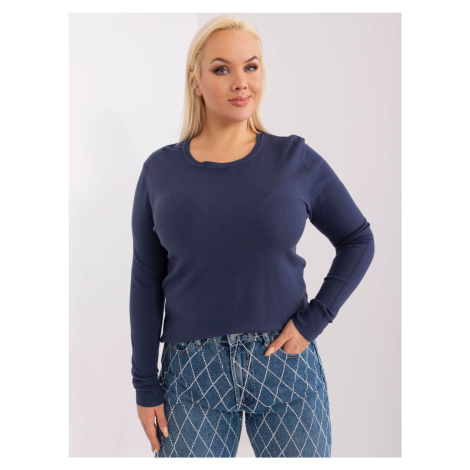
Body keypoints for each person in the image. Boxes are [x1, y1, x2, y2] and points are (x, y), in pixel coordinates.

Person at [129, 14, 375, 458]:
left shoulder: (294, 160)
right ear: (196, 81)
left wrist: (315, 319)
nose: (240, 81)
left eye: (251, 66)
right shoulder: (159, 172)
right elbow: (146, 280)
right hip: (192, 376)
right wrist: (145, 383)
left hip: (284, 364)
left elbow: (358, 239)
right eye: (222, 68)